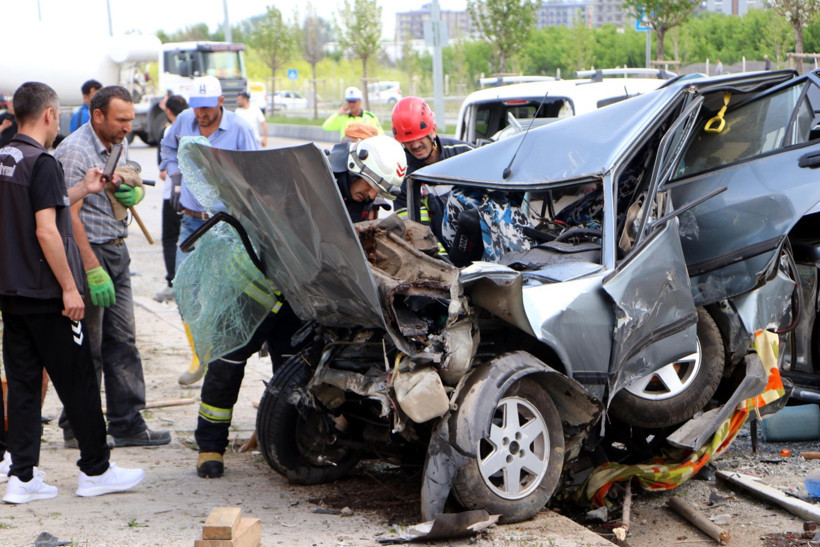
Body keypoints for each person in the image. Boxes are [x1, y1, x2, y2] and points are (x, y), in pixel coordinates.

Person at [189, 135, 406, 479]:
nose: (370, 196)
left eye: (377, 192)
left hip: (298, 302)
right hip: (255, 289)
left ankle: (279, 439)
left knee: (291, 376)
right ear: (354, 169)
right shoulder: (305, 181)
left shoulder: (361, 201)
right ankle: (210, 447)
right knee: (226, 366)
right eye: (369, 186)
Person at [0, 81, 144, 504]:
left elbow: (43, 203)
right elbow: (47, 230)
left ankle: (22, 475)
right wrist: (69, 287)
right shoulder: (42, 161)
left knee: (24, 384)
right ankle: (96, 469)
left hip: (12, 292)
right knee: (78, 380)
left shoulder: (7, 157)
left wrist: (83, 188)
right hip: (46, 293)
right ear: (49, 114)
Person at [54, 85, 171, 448]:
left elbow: (129, 170)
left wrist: (133, 188)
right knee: (87, 346)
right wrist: (91, 268)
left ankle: (127, 423)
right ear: (98, 115)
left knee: (122, 341)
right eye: (121, 120)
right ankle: (79, 427)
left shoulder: (116, 141)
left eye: (130, 119)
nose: (128, 127)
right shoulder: (75, 151)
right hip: (88, 254)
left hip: (117, 251)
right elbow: (68, 215)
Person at [160, 75, 258, 386]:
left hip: (227, 225)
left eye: (207, 107)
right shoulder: (184, 122)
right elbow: (167, 148)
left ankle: (221, 354)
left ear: (220, 102)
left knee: (223, 294)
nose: (201, 114)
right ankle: (198, 355)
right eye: (196, 107)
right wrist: (175, 175)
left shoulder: (240, 129)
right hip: (192, 221)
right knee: (184, 288)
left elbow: (255, 173)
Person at [391, 96, 473, 244]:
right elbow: (415, 235)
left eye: (420, 138)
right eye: (408, 141)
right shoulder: (403, 177)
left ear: (433, 131)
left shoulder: (465, 153)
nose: (415, 145)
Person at [154, 95, 188, 304]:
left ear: (168, 112)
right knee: (190, 240)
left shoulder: (168, 131)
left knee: (170, 240)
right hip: (193, 198)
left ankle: (173, 283)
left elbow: (163, 172)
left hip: (172, 196)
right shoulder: (194, 130)